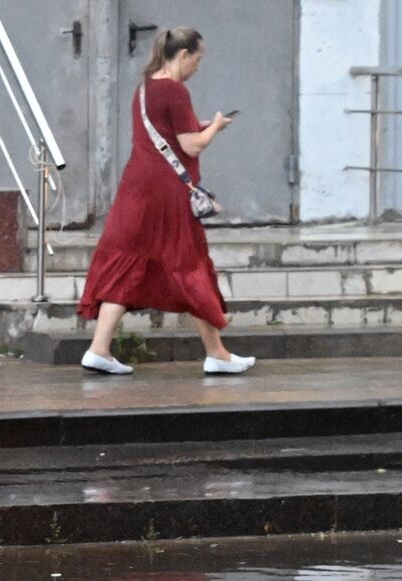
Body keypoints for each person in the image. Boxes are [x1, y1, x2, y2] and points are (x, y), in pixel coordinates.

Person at [77, 26, 254, 377]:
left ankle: (99, 349)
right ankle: (217, 354)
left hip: (136, 189)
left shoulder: (145, 87)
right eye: (198, 59)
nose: (198, 67)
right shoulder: (175, 91)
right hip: (166, 194)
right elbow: (191, 146)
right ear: (183, 55)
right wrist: (216, 126)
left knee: (127, 265)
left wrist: (200, 125)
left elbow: (167, 133)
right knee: (188, 266)